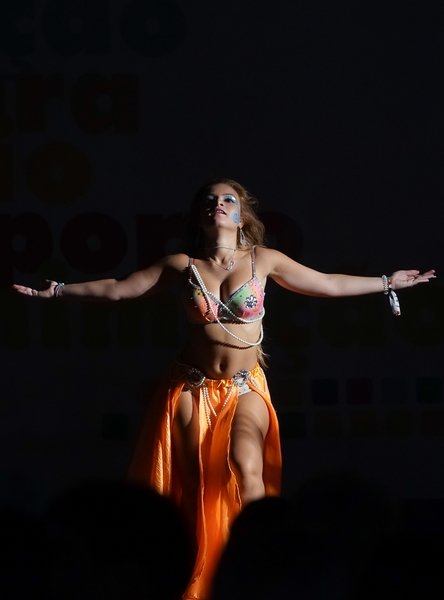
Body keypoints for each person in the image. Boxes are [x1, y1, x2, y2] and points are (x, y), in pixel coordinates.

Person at [12, 178, 436, 600]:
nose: (219, 204)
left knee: (246, 466)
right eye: (211, 200)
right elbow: (120, 290)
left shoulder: (262, 260)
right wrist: (59, 291)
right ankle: (201, 580)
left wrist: (386, 282)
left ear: (241, 216)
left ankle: (266, 571)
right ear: (201, 215)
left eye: (228, 199)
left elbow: (326, 283)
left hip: (244, 386)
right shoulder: (182, 266)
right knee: (198, 486)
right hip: (192, 386)